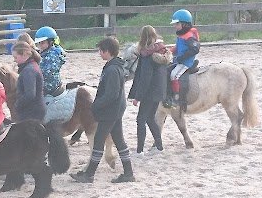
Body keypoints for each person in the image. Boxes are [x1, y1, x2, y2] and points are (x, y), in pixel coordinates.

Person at [70, 36, 134, 184]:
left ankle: (89, 174)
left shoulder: (112, 70)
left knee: (99, 141)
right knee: (119, 140)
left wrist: (95, 106)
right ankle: (128, 172)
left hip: (110, 111)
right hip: (116, 110)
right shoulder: (115, 66)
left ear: (107, 52)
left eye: (100, 51)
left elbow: (111, 94)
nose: (99, 53)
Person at [127, 26, 167, 156]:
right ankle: (159, 146)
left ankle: (139, 150)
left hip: (149, 92)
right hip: (159, 90)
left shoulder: (146, 55)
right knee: (150, 118)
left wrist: (137, 97)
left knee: (141, 119)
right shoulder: (161, 51)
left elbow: (145, 79)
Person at [167, 9, 200, 107]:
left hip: (186, 62)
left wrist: (182, 57)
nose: (175, 26)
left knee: (174, 75)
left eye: (177, 24)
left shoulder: (189, 36)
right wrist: (170, 51)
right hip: (180, 60)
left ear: (184, 24)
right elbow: (178, 47)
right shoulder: (181, 35)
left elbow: (195, 49)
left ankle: (177, 97)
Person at [11, 40, 45, 122]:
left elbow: (30, 95)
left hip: (31, 113)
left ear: (24, 54)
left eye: (16, 57)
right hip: (34, 110)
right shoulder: (32, 66)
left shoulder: (28, 70)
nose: (14, 60)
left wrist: (17, 105)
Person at [34, 26, 67, 96]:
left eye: (42, 43)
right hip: (45, 83)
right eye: (39, 43)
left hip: (50, 85)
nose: (40, 45)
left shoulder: (53, 55)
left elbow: (47, 72)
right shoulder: (45, 52)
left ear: (51, 42)